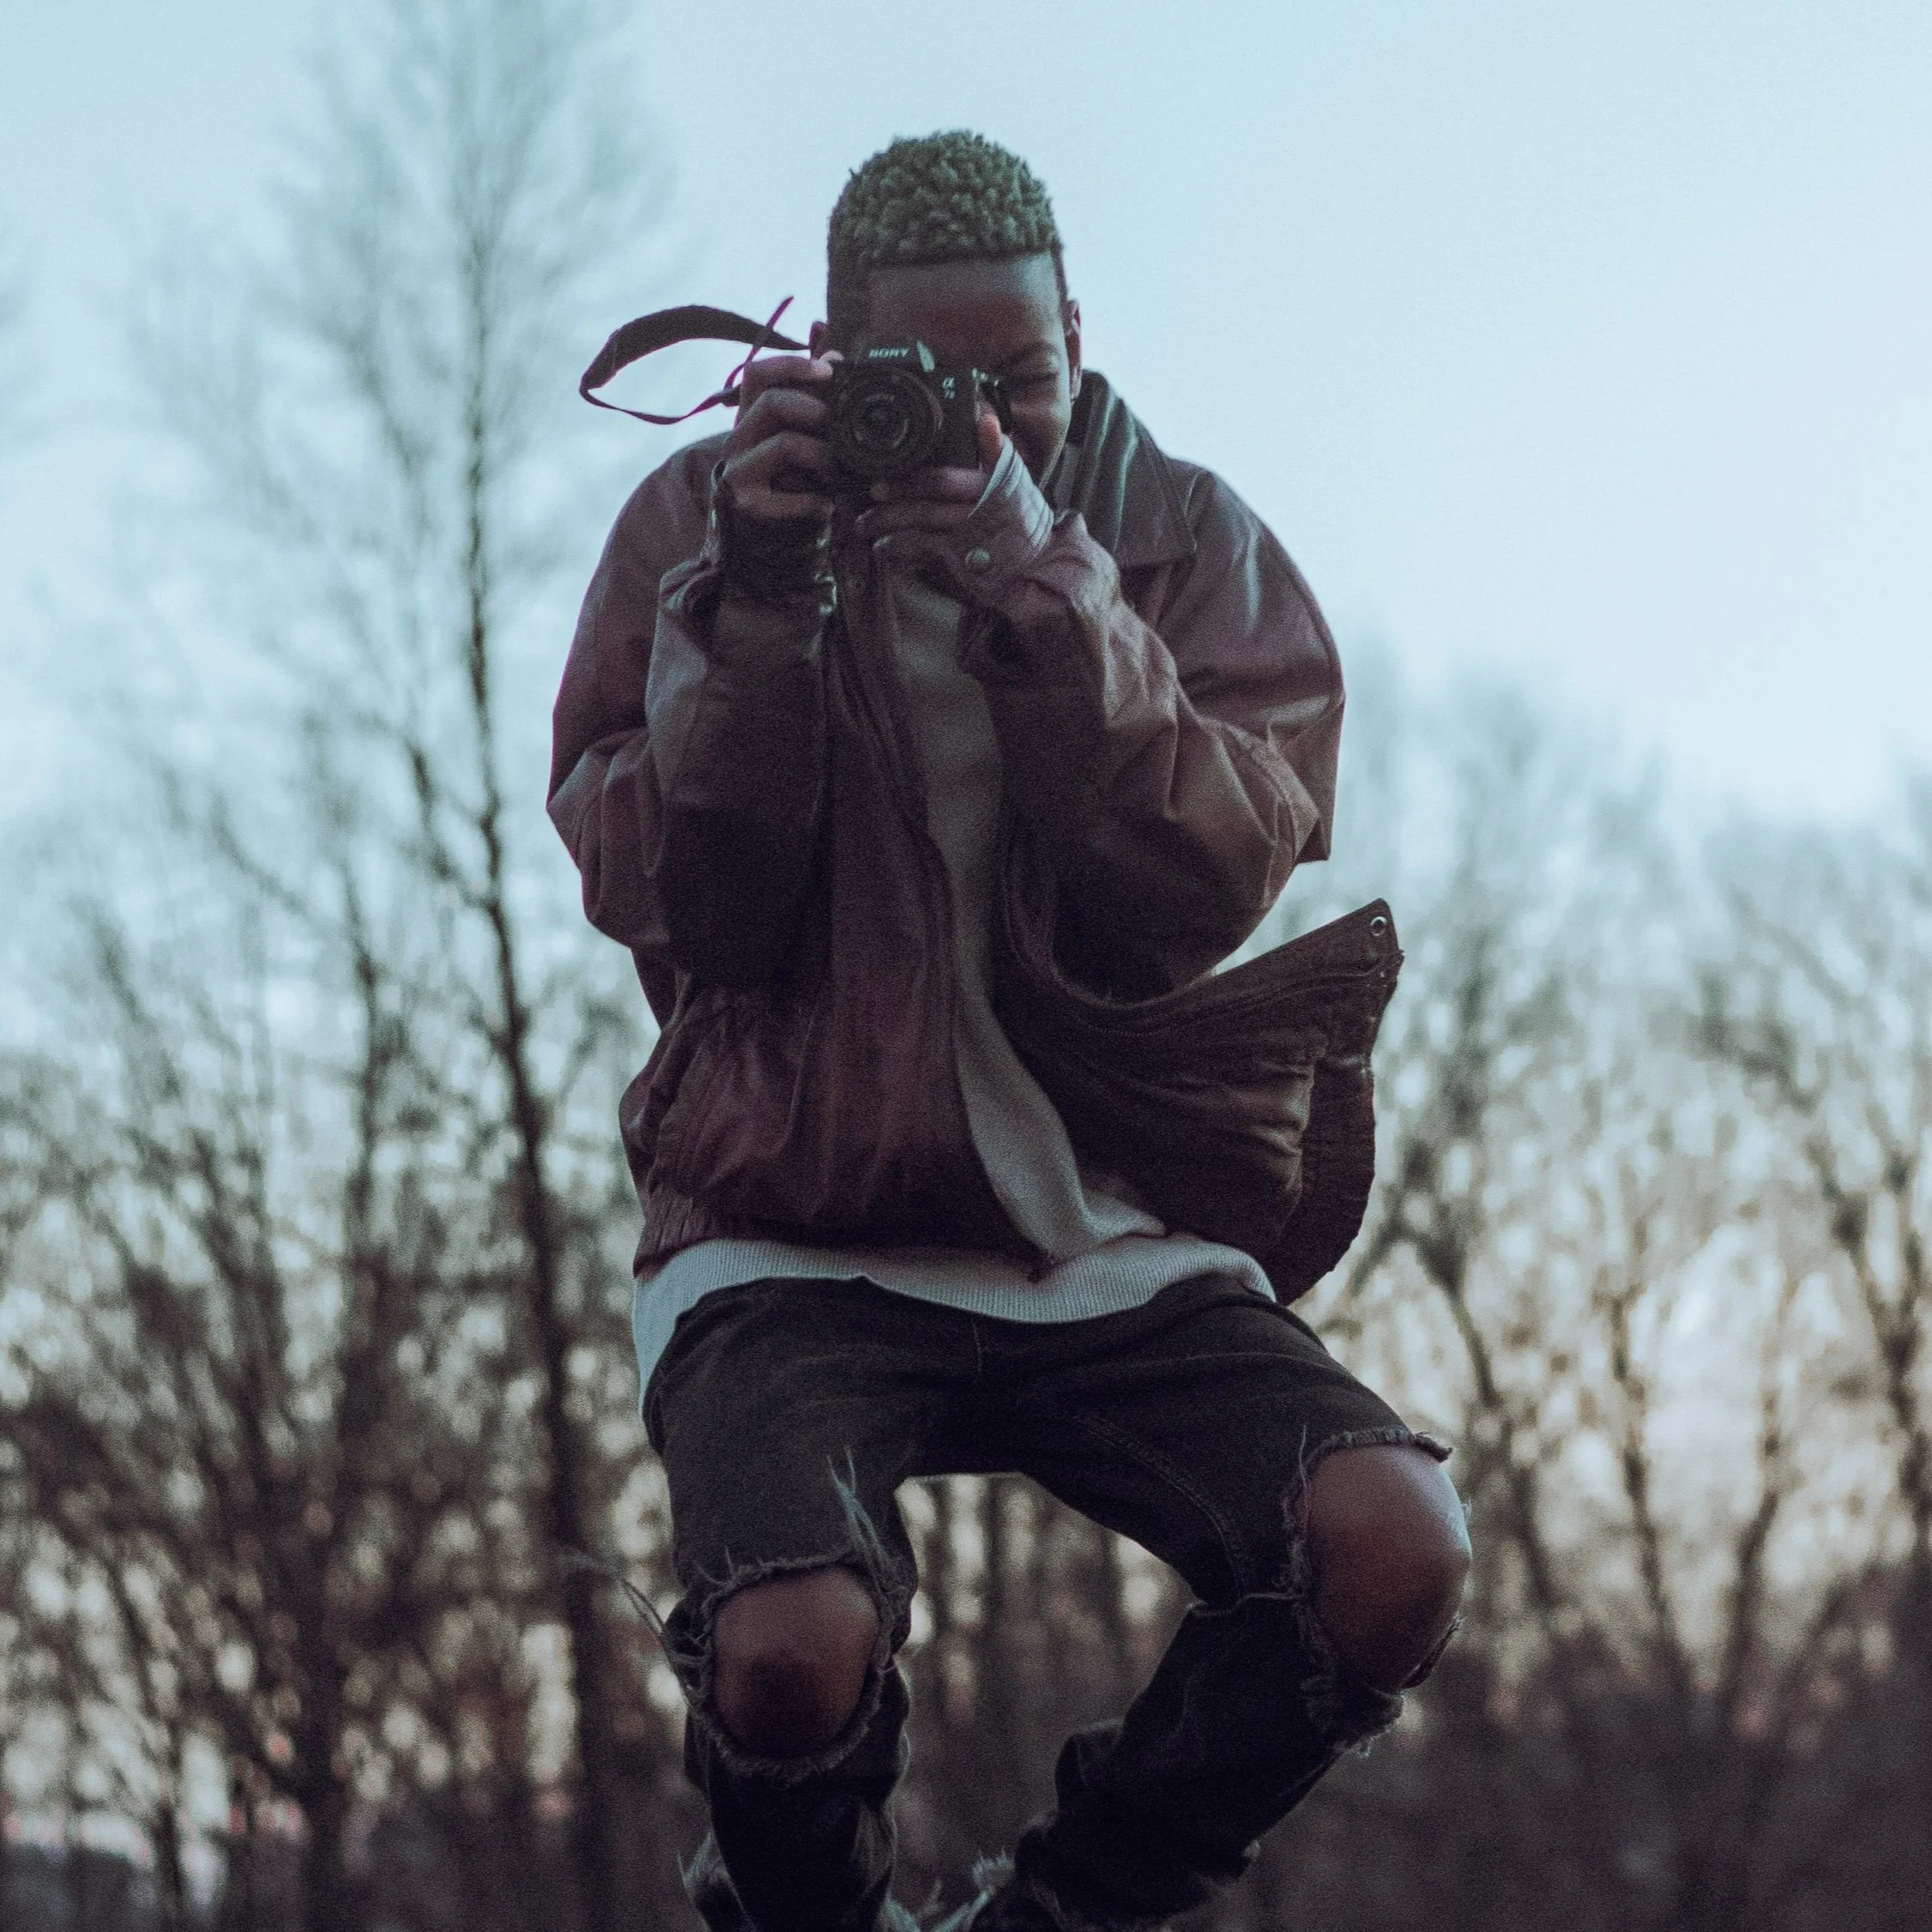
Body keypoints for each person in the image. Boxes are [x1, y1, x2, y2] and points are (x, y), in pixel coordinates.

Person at [548, 130, 1469, 1932]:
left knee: (1389, 1547)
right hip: (792, 1213)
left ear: (1080, 339)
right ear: (834, 355)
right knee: (786, 1655)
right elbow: (684, 901)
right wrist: (757, 600)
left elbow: (1199, 878)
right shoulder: (702, 526)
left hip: (1106, 1213)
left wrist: (1039, 575)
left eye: (1021, 382)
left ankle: (1061, 1915)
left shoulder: (1182, 537)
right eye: (929, 380)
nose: (979, 426)